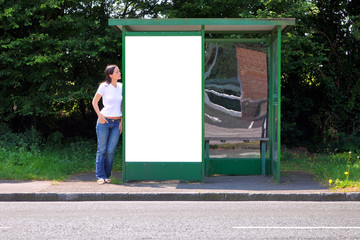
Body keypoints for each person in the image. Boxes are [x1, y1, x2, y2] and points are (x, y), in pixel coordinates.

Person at [92, 65, 122, 184]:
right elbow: (94, 102)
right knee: (102, 149)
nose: (119, 73)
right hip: (104, 122)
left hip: (117, 123)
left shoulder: (121, 87)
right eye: (117, 71)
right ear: (110, 75)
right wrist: (100, 116)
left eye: (119, 71)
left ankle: (107, 175)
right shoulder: (103, 86)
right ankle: (100, 176)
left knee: (111, 150)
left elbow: (122, 105)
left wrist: (122, 122)